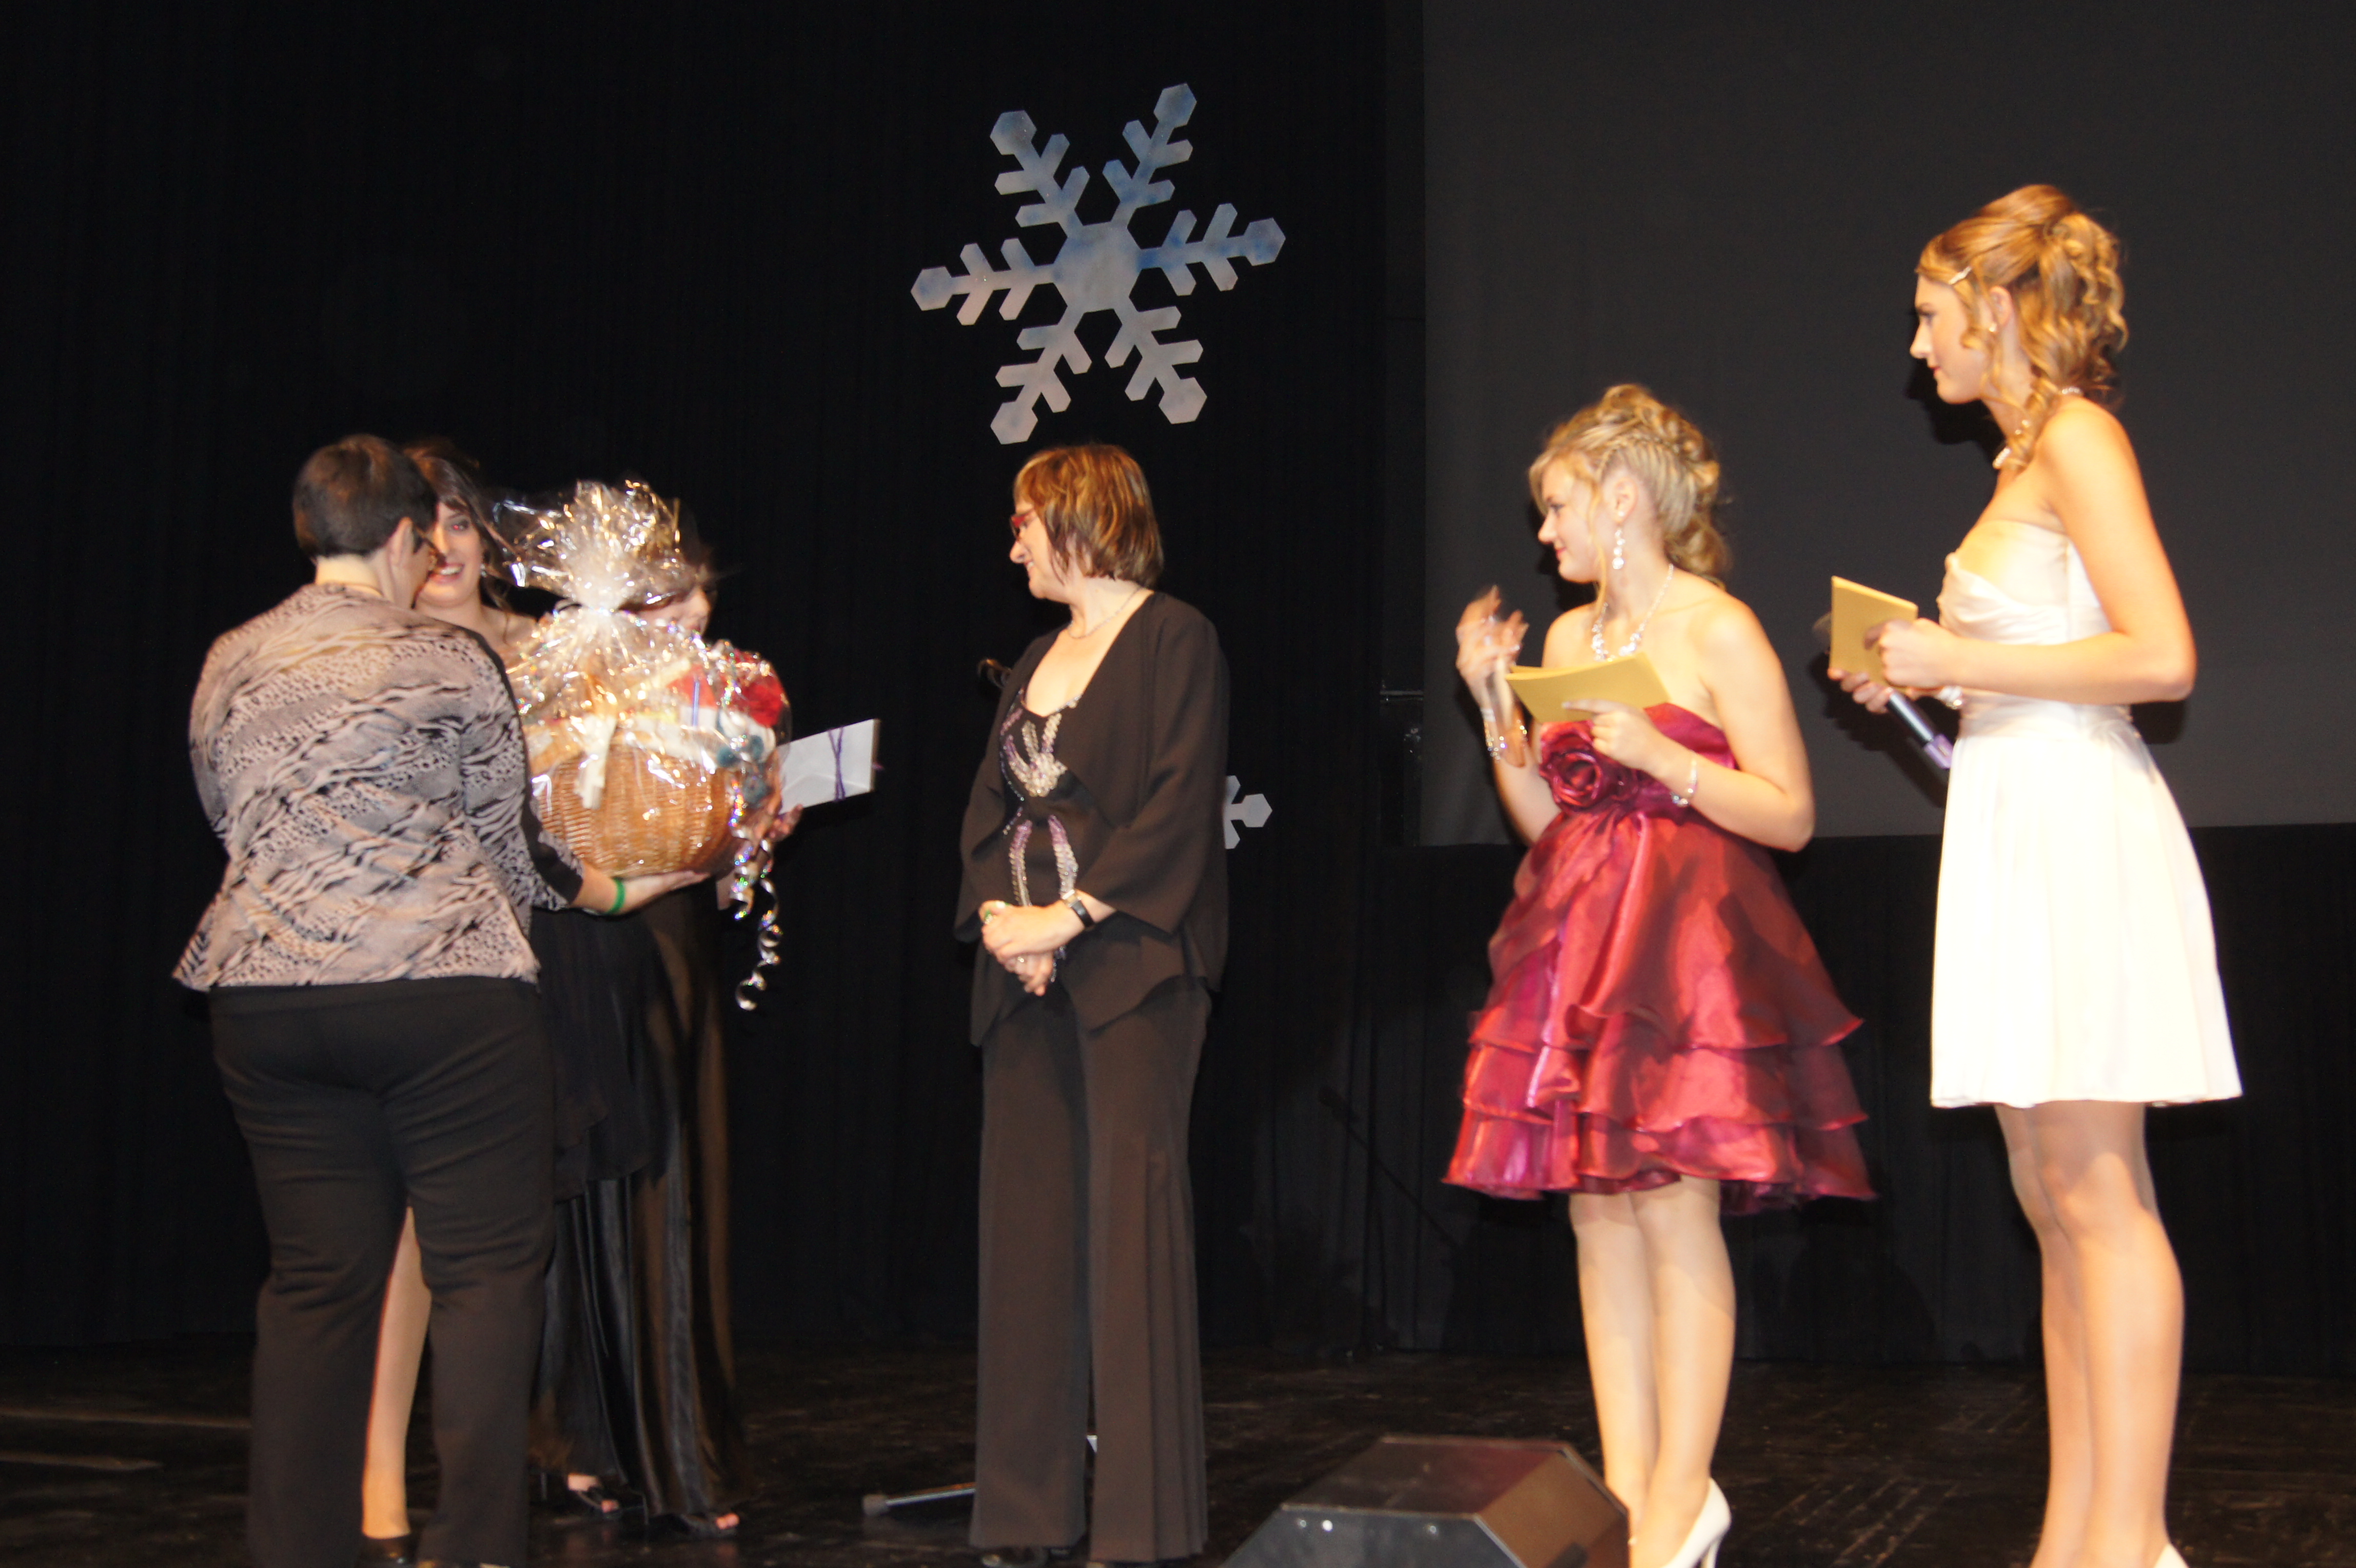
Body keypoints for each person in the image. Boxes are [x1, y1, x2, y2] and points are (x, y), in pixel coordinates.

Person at [178, 436, 694, 1568]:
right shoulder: (448, 660)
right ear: (407, 537)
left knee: (316, 1286)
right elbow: (512, 851)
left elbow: (227, 812)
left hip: (266, 999)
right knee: (485, 1279)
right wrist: (619, 889)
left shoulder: (230, 657)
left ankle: (298, 1551)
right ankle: (476, 1548)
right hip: (443, 997)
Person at [1834, 186, 2237, 1568]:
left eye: (1931, 315)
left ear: (1997, 310)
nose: (1918, 345)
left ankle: (2131, 1541)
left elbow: (2162, 658)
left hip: (2077, 827)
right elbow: (2025, 681)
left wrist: (1961, 657)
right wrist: (1921, 689)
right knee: (2053, 1200)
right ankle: (2076, 1535)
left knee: (2099, 1191)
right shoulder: (2016, 466)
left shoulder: (2078, 438)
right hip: (2013, 818)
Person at [1447, 386, 1872, 1568]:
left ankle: (1684, 1496)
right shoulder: (1569, 641)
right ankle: (1626, 1494)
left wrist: (1661, 759)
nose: (1546, 534)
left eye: (1559, 507)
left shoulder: (1716, 628)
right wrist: (1492, 705)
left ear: (1623, 498)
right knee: (1598, 1210)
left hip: (1686, 940)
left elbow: (1790, 813)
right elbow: (1545, 820)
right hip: (1582, 938)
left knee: (1675, 1203)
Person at [956, 444, 1229, 1568]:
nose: (1014, 541)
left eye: (1025, 519)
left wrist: (1066, 921)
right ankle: (1027, 1514)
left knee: (1131, 1236)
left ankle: (1142, 1521)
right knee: (1026, 1240)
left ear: (1079, 517)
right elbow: (988, 810)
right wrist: (1005, 924)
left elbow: (1178, 803)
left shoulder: (1175, 639)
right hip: (1026, 976)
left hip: (1134, 969)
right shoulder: (1033, 657)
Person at [356, 439, 558, 1560]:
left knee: (511, 1242)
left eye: (463, 522)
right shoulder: (368, 653)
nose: (444, 545)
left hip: (538, 954)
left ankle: (548, 1453)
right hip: (404, 963)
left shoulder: (547, 652)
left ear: (490, 537)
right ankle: (382, 1469)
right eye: (424, 525)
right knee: (407, 1236)